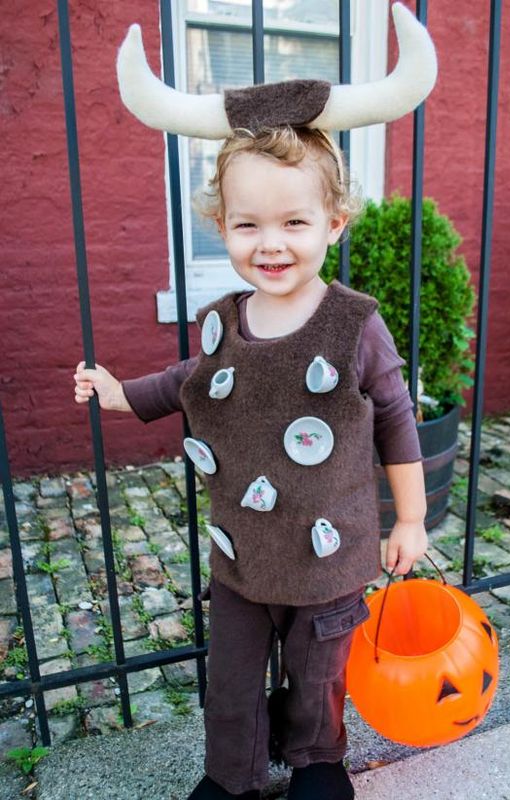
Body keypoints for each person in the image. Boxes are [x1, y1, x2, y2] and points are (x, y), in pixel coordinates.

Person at [74, 7, 437, 799]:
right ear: (220, 226)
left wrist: (408, 520)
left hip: (331, 556)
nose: (270, 243)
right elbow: (184, 382)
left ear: (334, 223)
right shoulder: (222, 321)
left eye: (294, 222)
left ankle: (316, 764)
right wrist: (115, 395)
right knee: (231, 683)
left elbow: (395, 419)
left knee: (317, 675)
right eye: (247, 224)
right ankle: (229, 774)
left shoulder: (354, 325)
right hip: (240, 554)